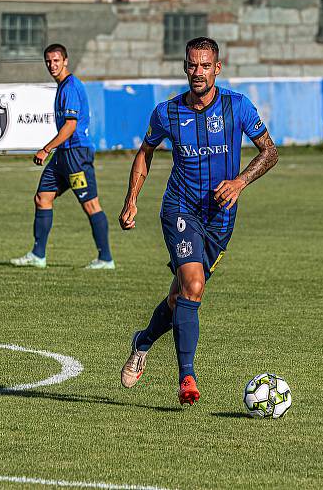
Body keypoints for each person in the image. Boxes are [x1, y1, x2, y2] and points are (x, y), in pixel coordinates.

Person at [118, 37, 279, 405]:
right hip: (180, 209)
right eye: (192, 65)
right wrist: (131, 200)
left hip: (220, 220)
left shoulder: (237, 107)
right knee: (193, 286)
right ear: (184, 66)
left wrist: (240, 181)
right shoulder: (167, 112)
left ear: (217, 68)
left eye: (205, 65)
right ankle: (186, 377)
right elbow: (146, 153)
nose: (198, 72)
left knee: (180, 297)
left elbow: (270, 151)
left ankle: (142, 342)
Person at [11, 43, 114, 269]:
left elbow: (70, 126)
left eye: (56, 60)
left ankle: (105, 258)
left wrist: (46, 148)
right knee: (42, 198)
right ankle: (38, 255)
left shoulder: (70, 87)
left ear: (65, 61)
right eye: (48, 61)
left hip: (76, 154)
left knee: (90, 204)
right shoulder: (62, 86)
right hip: (63, 156)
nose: (52, 65)